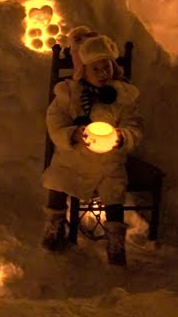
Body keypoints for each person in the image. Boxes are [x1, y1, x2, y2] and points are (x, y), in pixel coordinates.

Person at [41, 34, 143, 264]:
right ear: (83, 71)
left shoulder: (123, 96)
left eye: (105, 66)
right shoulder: (70, 93)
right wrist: (73, 133)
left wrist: (122, 137)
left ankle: (115, 239)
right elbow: (54, 120)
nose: (102, 72)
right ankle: (55, 224)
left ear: (113, 67)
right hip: (74, 155)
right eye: (95, 68)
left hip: (109, 159)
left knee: (114, 188)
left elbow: (134, 125)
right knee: (58, 178)